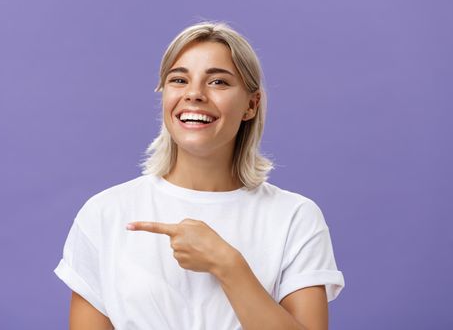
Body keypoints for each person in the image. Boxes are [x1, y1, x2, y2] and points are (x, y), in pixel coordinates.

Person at [54, 21, 345, 330]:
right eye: (179, 80)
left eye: (218, 82)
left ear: (251, 104)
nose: (194, 94)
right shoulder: (105, 214)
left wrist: (228, 265)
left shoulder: (295, 218)